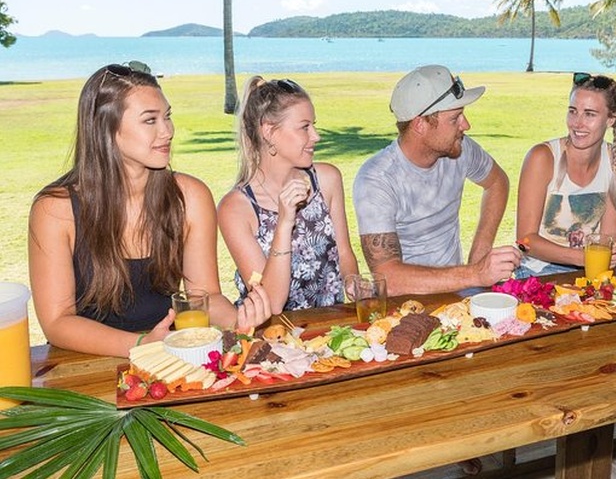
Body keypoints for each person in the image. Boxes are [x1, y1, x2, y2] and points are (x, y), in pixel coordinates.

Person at [28, 62, 271, 358]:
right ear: (106, 128)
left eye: (167, 117)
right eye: (149, 120)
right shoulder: (55, 209)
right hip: (87, 366)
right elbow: (57, 322)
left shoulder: (190, 196)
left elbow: (206, 295)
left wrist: (238, 320)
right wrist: (142, 345)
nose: (167, 131)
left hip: (171, 359)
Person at [353, 64, 521, 296]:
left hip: (458, 294)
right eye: (455, 118)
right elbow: (389, 278)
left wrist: (480, 255)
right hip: (404, 304)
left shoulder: (461, 149)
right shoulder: (377, 179)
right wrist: (475, 273)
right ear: (420, 124)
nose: (466, 125)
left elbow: (497, 182)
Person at [218, 76, 358, 311]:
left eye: (313, 125)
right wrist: (284, 222)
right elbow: (270, 303)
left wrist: (353, 281)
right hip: (271, 337)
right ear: (269, 132)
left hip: (328, 331)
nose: (316, 136)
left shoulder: (327, 180)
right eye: (305, 127)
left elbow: (343, 252)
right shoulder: (236, 208)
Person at [515, 72, 616, 277]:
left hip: (591, 270)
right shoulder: (542, 157)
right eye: (573, 111)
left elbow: (609, 233)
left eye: (590, 114)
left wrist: (609, 252)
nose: (577, 123)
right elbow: (525, 239)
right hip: (536, 272)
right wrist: (584, 258)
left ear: (611, 119)